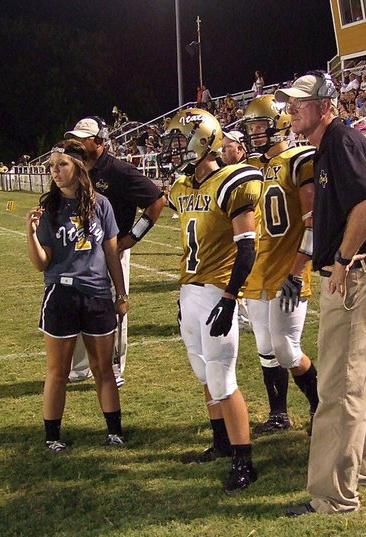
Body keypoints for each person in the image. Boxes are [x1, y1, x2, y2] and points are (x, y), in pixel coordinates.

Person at [275, 71, 366, 516]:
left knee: (339, 389)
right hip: (359, 277)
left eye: (300, 103)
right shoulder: (332, 144)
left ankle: (333, 494)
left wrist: (341, 259)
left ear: (325, 105)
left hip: (353, 278)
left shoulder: (339, 141)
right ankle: (365, 469)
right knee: (363, 382)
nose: (292, 110)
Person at [160, 108, 263, 493]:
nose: (173, 149)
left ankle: (244, 461)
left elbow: (247, 249)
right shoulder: (183, 187)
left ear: (203, 140)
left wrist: (230, 298)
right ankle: (221, 443)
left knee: (222, 377)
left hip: (217, 290)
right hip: (190, 290)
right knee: (204, 373)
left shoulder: (232, 181)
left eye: (178, 140)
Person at [26, 139, 129, 452]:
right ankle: (52, 437)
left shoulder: (102, 205)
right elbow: (41, 263)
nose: (55, 171)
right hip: (61, 294)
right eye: (51, 166)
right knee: (59, 371)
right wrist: (30, 234)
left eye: (62, 164)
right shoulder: (50, 208)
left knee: (103, 369)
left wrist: (121, 293)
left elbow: (111, 254)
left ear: (79, 167)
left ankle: (114, 432)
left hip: (97, 294)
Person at [239, 94, 320, 435]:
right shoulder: (251, 166)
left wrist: (298, 271)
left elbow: (314, 221)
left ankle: (321, 406)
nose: (254, 133)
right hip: (257, 270)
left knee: (287, 349)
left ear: (280, 124)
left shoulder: (300, 159)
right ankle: (278, 415)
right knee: (265, 348)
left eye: (260, 126)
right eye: (251, 127)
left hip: (288, 268)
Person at [64, 117, 165, 387]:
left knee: (111, 309)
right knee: (79, 306)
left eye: (83, 139)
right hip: (80, 250)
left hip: (111, 251)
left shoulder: (120, 171)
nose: (77, 143)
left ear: (99, 141)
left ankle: (114, 368)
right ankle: (80, 368)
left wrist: (133, 236)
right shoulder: (77, 167)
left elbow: (156, 200)